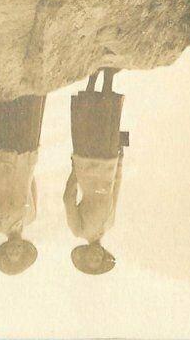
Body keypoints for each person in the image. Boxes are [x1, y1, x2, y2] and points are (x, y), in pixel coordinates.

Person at [63, 68, 128, 275]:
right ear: (102, 254)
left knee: (89, 119)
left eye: (90, 259)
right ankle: (108, 77)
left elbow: (68, 199)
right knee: (108, 117)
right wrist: (119, 162)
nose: (95, 256)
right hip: (108, 162)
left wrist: (76, 171)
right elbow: (115, 189)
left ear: (83, 254)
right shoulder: (109, 224)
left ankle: (93, 76)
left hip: (87, 164)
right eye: (98, 258)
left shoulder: (78, 230)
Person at [0, 95, 46, 275]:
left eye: (11, 253)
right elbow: (32, 184)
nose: (15, 250)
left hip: (2, 154)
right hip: (26, 154)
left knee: (4, 106)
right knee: (27, 106)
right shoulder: (31, 217)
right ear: (23, 248)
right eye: (18, 253)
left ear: (5, 248)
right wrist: (24, 168)